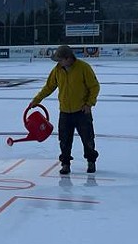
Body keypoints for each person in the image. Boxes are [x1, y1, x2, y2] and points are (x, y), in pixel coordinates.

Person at [30, 44, 100, 175]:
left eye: (60, 60)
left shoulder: (83, 68)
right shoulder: (57, 70)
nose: (58, 62)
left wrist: (89, 104)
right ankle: (65, 164)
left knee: (88, 138)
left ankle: (91, 161)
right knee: (64, 140)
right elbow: (49, 87)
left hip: (82, 112)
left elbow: (94, 87)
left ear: (68, 58)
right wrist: (36, 100)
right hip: (65, 112)